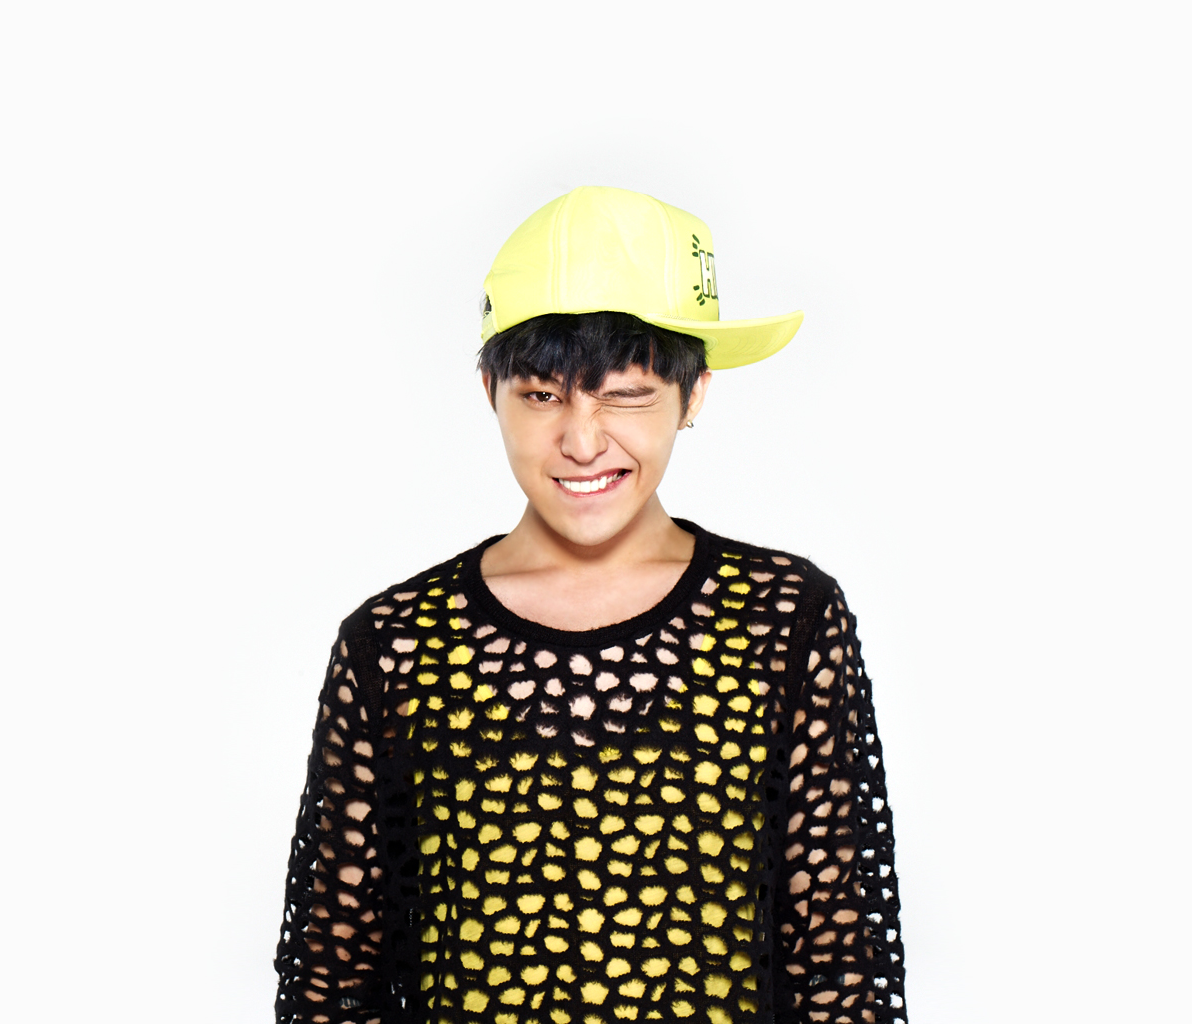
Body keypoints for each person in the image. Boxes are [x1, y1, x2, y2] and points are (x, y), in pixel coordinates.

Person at [274, 186, 908, 1024]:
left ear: (694, 393)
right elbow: (333, 979)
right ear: (490, 390)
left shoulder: (783, 622)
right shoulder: (395, 645)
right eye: (542, 395)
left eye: (627, 394)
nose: (581, 440)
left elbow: (840, 967)